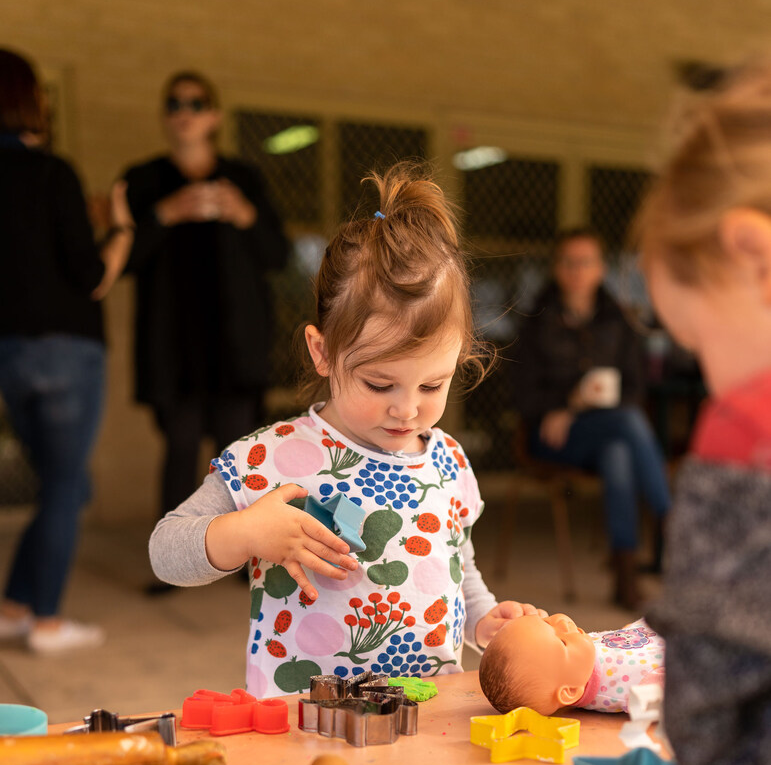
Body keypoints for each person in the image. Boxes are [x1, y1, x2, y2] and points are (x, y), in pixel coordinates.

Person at [149, 164, 546, 696]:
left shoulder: (448, 460)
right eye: (380, 384)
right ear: (323, 352)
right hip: (304, 719)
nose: (407, 410)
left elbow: (458, 564)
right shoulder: (273, 457)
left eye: (432, 385)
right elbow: (165, 551)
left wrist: (483, 621)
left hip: (428, 711)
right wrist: (245, 533)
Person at [634, 59, 771, 765]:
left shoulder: (745, 440)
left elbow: (707, 709)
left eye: (696, 342)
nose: (707, 375)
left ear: (754, 258)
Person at [121, 71, 289, 591]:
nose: (184, 112)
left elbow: (278, 254)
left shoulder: (243, 178)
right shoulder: (145, 180)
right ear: (165, 115)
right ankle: (172, 564)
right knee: (180, 448)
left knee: (236, 458)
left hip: (234, 344)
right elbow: (122, 258)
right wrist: (165, 214)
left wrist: (244, 214)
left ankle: (244, 558)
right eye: (175, 103)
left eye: (196, 103)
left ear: (214, 115)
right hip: (175, 345)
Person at [0, 48, 133, 652]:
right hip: (68, 353)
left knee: (65, 485)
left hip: (10, 355)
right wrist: (120, 228)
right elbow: (91, 277)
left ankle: (14, 607)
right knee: (64, 487)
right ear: (29, 100)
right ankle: (47, 622)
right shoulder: (52, 173)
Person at [514, 228, 671, 609]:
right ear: (556, 268)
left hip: (607, 429)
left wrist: (577, 408)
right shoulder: (535, 322)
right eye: (569, 262)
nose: (577, 270)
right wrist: (564, 406)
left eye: (586, 262)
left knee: (619, 450)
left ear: (601, 268)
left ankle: (625, 576)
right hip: (551, 437)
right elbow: (521, 395)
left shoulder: (619, 320)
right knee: (628, 424)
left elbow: (635, 388)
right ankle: (673, 526)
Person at [479, 612, 664, 716]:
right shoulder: (628, 685)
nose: (562, 622)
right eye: (562, 642)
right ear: (570, 691)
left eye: (546, 622)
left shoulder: (583, 657)